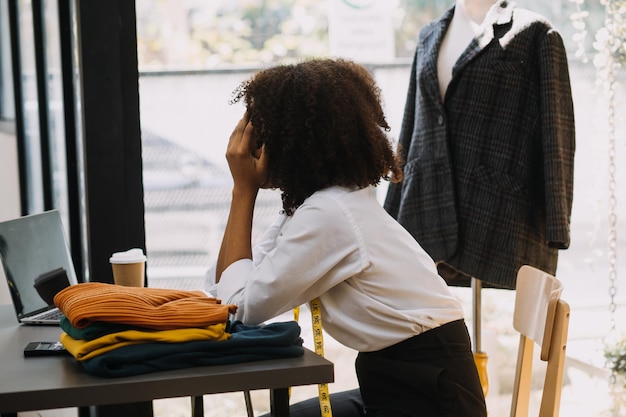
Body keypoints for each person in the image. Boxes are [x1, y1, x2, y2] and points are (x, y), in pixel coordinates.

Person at [205, 58, 487, 417]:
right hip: (391, 383)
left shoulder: (331, 213)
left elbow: (242, 308)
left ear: (293, 141)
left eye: (258, 132)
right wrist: (243, 192)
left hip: (429, 396)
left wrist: (242, 192)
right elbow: (225, 292)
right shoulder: (318, 205)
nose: (249, 148)